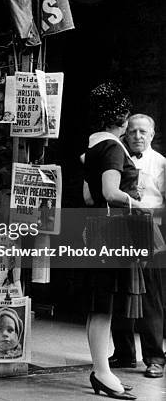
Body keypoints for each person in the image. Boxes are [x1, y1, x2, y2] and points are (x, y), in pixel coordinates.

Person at [82, 82, 143, 400]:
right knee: (104, 306)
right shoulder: (113, 148)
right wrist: (137, 203)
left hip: (98, 231)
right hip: (113, 233)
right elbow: (108, 193)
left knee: (100, 305)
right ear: (122, 117)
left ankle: (102, 369)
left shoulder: (92, 147)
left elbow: (88, 195)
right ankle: (102, 373)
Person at [109, 113, 165, 379]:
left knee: (151, 297)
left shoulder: (162, 164)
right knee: (120, 293)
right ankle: (123, 353)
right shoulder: (117, 157)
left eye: (143, 132)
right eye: (132, 131)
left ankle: (155, 357)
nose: (138, 136)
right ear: (125, 133)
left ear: (152, 135)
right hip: (121, 229)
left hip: (150, 231)